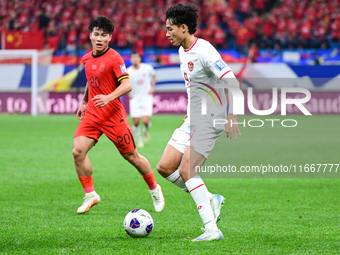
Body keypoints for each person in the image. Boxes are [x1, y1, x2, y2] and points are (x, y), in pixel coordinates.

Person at [157, 4, 241, 242]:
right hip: (193, 117)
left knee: (187, 170)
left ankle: (212, 229)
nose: (167, 33)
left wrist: (232, 114)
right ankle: (210, 197)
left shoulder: (204, 50)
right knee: (164, 167)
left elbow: (231, 81)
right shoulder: (182, 50)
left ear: (184, 28)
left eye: (170, 29)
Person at [72, 16, 165, 214]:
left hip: (114, 116)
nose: (99, 38)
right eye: (96, 34)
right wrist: (84, 101)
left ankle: (154, 188)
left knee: (132, 157)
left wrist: (108, 97)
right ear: (90, 35)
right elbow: (91, 80)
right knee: (78, 151)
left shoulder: (114, 58)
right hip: (93, 115)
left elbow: (127, 84)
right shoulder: (86, 58)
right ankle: (90, 194)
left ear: (109, 38)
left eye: (103, 35)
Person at [127, 52, 156, 148]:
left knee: (145, 121)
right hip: (135, 100)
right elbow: (124, 84)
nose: (135, 59)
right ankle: (139, 140)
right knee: (135, 122)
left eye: (136, 57)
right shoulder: (128, 72)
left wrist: (152, 87)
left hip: (146, 98)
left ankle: (146, 131)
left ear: (140, 59)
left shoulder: (147, 68)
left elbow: (154, 75)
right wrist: (128, 93)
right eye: (133, 58)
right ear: (131, 60)